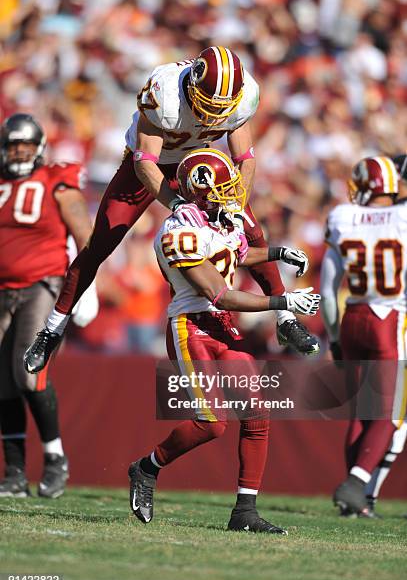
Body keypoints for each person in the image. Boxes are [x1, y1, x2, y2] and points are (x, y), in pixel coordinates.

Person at [24, 45, 319, 375]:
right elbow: (145, 164)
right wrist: (178, 204)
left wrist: (235, 206)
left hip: (198, 165)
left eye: (221, 110)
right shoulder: (164, 92)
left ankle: (286, 319)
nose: (212, 116)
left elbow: (245, 161)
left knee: (250, 232)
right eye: (207, 106)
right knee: (101, 244)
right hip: (152, 166)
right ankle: (52, 329)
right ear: (192, 87)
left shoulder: (245, 93)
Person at [128, 148, 320, 533]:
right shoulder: (177, 230)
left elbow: (239, 252)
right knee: (212, 423)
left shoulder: (217, 219)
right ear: (200, 190)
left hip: (221, 326)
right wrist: (282, 301)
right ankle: (147, 467)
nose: (232, 193)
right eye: (224, 186)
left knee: (257, 413)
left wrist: (280, 251)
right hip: (190, 327)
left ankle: (244, 513)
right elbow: (220, 292)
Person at [0, 113, 99, 498]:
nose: (19, 151)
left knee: (28, 373)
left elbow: (84, 232)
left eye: (26, 144)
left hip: (43, 284)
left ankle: (55, 458)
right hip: (2, 289)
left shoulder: (56, 178)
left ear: (40, 148)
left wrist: (87, 288)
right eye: (13, 144)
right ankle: (14, 473)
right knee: (2, 382)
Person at [320, 156, 407, 516]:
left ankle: (351, 499)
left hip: (353, 316)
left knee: (361, 414)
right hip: (390, 319)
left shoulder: (343, 217)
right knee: (389, 415)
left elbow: (327, 291)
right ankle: (357, 484)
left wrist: (335, 338)